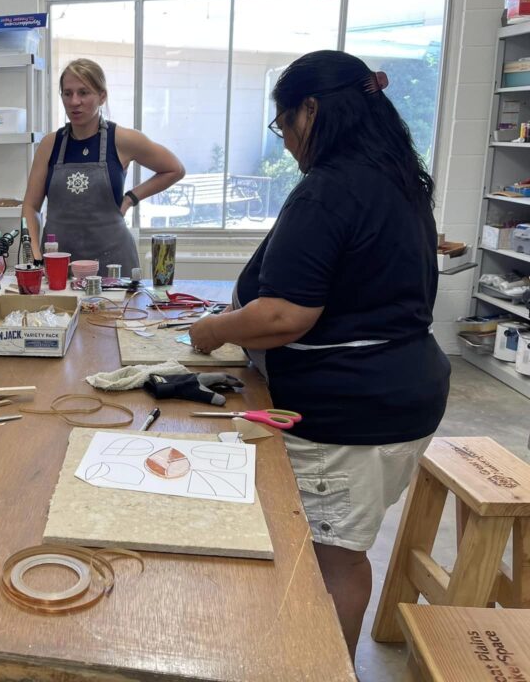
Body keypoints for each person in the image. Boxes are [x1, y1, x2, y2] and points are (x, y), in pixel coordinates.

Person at [189, 50, 450, 660]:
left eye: (283, 127)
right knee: (337, 546)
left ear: (312, 108)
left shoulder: (333, 188)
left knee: (329, 556)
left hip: (352, 408)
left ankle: (318, 667)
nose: (284, 144)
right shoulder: (395, 177)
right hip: (394, 392)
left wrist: (214, 330)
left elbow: (284, 314)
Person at [22, 58, 184, 274]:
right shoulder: (50, 144)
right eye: (67, 93)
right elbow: (31, 207)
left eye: (84, 92)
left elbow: (174, 169)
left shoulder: (123, 139)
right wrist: (34, 254)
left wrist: (130, 198)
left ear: (102, 96)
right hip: (59, 265)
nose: (74, 101)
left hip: (114, 263)